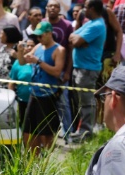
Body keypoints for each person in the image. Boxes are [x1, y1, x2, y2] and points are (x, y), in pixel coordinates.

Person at [19, 21, 66, 153]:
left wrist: (38, 61)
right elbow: (22, 62)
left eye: (41, 36)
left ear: (49, 33)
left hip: (48, 96)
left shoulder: (59, 50)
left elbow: (57, 71)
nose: (38, 39)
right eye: (37, 37)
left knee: (45, 133)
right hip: (34, 94)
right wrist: (20, 51)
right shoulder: (38, 46)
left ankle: (48, 160)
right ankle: (32, 160)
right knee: (28, 131)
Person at [69, 0, 106, 141]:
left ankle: (86, 133)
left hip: (88, 69)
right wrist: (78, 41)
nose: (83, 11)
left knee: (86, 102)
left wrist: (79, 41)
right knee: (81, 102)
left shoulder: (97, 25)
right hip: (80, 67)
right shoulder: (90, 23)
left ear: (92, 8)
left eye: (85, 7)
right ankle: (81, 130)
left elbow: (76, 41)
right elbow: (72, 37)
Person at [44, 0, 74, 141]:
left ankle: (68, 133)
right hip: (44, 69)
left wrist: (67, 71)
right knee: (44, 102)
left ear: (60, 9)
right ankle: (46, 134)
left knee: (63, 103)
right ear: (47, 8)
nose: (53, 8)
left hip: (61, 71)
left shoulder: (67, 26)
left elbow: (70, 50)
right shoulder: (43, 24)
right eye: (50, 6)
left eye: (56, 6)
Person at [9, 37, 36, 127]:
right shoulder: (17, 63)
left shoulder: (38, 62)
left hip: (37, 100)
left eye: (32, 46)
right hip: (22, 101)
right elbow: (12, 82)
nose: (29, 48)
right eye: (27, 45)